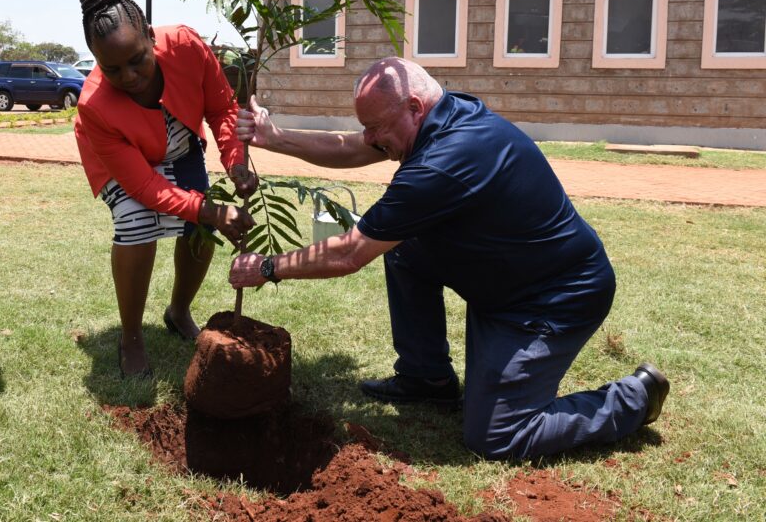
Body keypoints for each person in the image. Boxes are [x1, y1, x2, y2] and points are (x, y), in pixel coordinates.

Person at [229, 57, 669, 459]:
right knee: (404, 250)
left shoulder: (444, 163)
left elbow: (349, 254)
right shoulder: (443, 115)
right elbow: (353, 147)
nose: (370, 138)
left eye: (376, 126)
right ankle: (427, 378)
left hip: (551, 299)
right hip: (503, 280)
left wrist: (268, 267)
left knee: (498, 435)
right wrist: (274, 138)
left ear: (415, 107)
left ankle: (633, 398)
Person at [75, 0, 256, 378]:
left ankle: (178, 311)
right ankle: (132, 338)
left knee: (198, 230)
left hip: (177, 137)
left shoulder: (187, 47)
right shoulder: (96, 106)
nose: (129, 76)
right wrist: (209, 210)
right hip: (121, 159)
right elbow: (141, 185)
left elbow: (222, 109)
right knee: (137, 221)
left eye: (137, 59)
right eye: (112, 68)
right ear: (95, 58)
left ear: (151, 37)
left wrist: (236, 160)